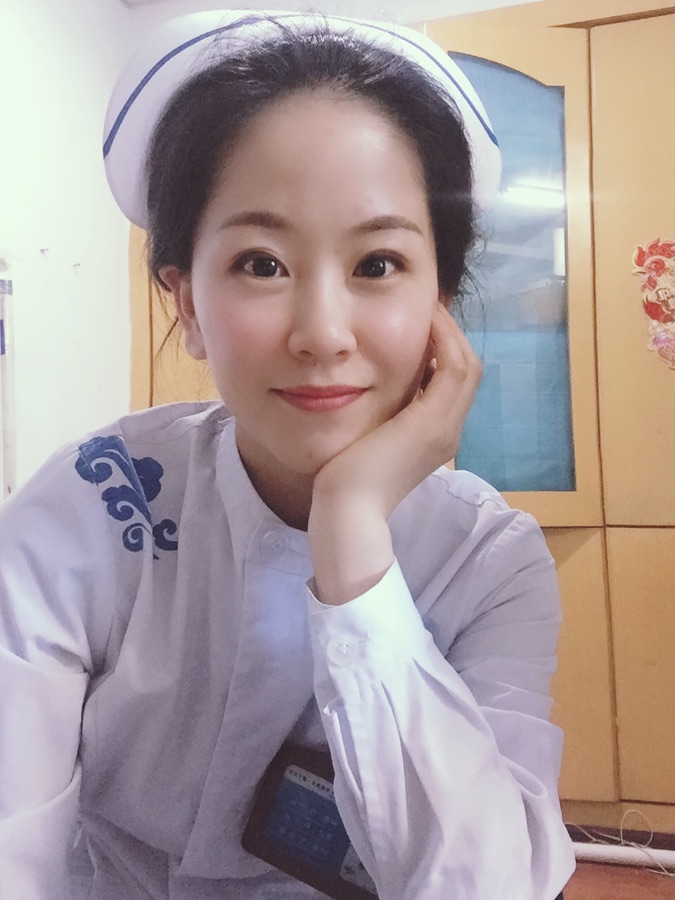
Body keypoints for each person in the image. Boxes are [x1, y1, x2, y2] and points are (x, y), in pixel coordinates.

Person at [0, 10, 574, 899]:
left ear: (442, 302)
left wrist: (352, 533)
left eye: (377, 264)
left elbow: (483, 884)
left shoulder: (488, 565)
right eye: (261, 264)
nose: (321, 333)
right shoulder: (95, 504)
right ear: (186, 304)